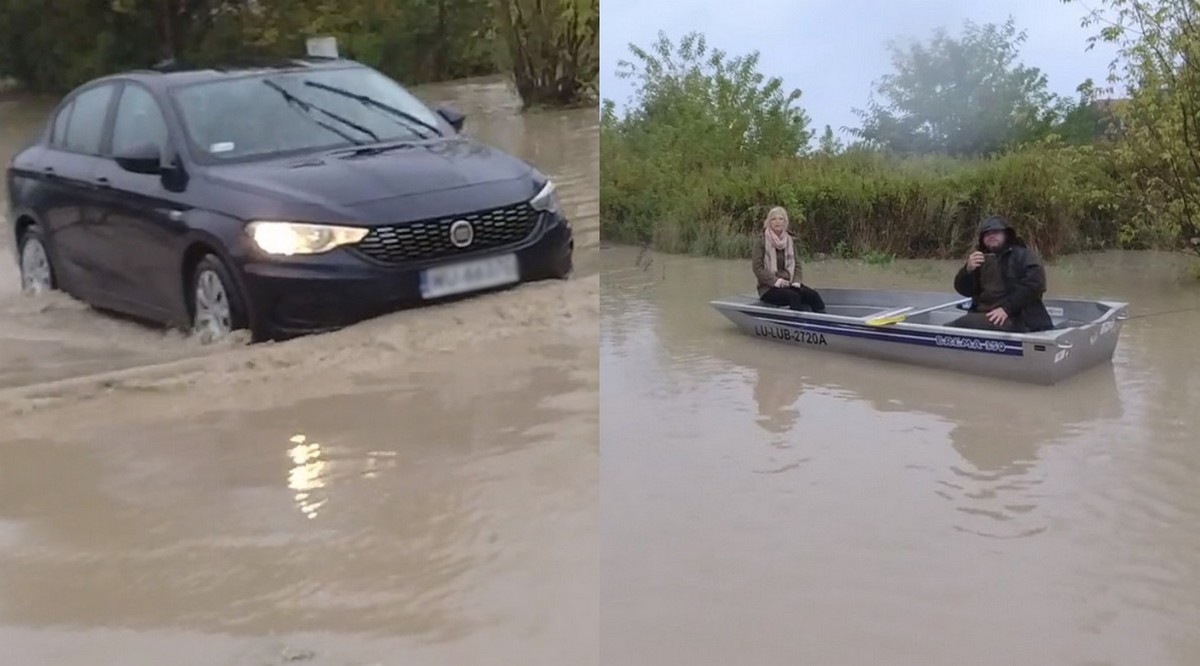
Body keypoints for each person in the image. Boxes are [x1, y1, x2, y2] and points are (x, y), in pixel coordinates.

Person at [950, 214, 1053, 332]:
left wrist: (1006, 309)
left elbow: (1036, 284)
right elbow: (965, 291)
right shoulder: (980, 259)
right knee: (965, 322)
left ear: (1006, 234)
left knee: (960, 325)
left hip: (1017, 318)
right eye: (987, 234)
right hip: (984, 314)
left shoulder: (1023, 255)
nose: (991, 236)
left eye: (996, 232)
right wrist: (967, 271)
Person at [751, 206, 826, 313]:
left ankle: (823, 322)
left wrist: (796, 281)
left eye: (780, 219)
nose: (777, 222)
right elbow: (757, 268)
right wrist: (776, 281)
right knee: (793, 297)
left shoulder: (789, 241)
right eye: (774, 219)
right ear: (769, 222)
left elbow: (797, 264)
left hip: (789, 283)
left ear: (785, 222)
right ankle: (798, 325)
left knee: (813, 295)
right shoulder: (761, 242)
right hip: (768, 288)